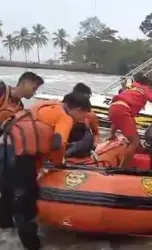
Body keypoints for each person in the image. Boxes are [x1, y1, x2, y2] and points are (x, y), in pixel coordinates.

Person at [0, 92, 91, 250]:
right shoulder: (66, 117)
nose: (82, 118)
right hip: (20, 155)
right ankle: (32, 245)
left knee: (7, 190)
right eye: (83, 114)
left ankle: (5, 228)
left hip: (4, 146)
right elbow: (58, 143)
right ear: (77, 109)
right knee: (25, 200)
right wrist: (57, 163)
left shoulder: (47, 105)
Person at [108, 73, 152, 168]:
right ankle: (123, 168)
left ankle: (129, 159)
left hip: (113, 108)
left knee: (135, 140)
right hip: (123, 110)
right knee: (134, 142)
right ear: (146, 84)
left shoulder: (130, 89)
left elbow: (118, 119)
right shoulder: (144, 89)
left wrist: (112, 134)